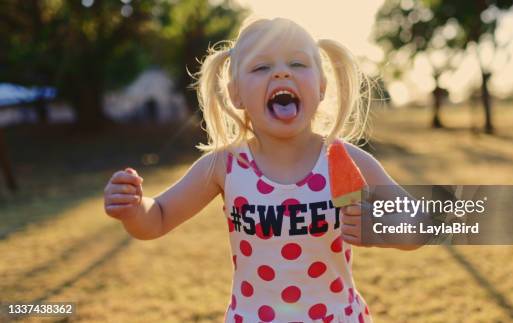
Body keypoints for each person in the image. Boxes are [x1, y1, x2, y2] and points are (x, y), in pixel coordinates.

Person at [103, 17, 428, 322]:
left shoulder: (346, 159)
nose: (281, 74)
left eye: (298, 64)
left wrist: (382, 225)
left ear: (322, 87)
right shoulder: (225, 165)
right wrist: (133, 209)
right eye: (261, 67)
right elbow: (158, 218)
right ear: (236, 94)